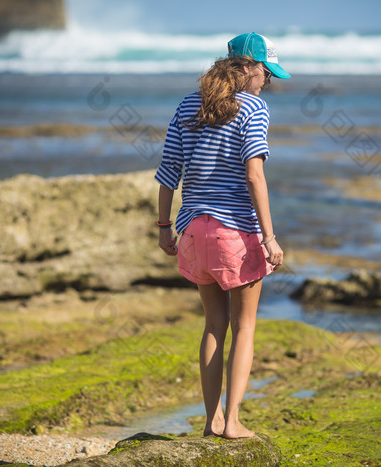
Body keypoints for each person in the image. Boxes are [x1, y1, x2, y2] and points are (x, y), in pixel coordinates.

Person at [155, 32, 290, 439]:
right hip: (236, 234)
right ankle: (233, 422)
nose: (266, 81)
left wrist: (164, 227)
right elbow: (254, 175)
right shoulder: (255, 108)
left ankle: (210, 421)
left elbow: (167, 172)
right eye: (266, 72)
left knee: (214, 324)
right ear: (249, 68)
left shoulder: (187, 105)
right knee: (244, 326)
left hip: (193, 232)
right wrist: (269, 237)